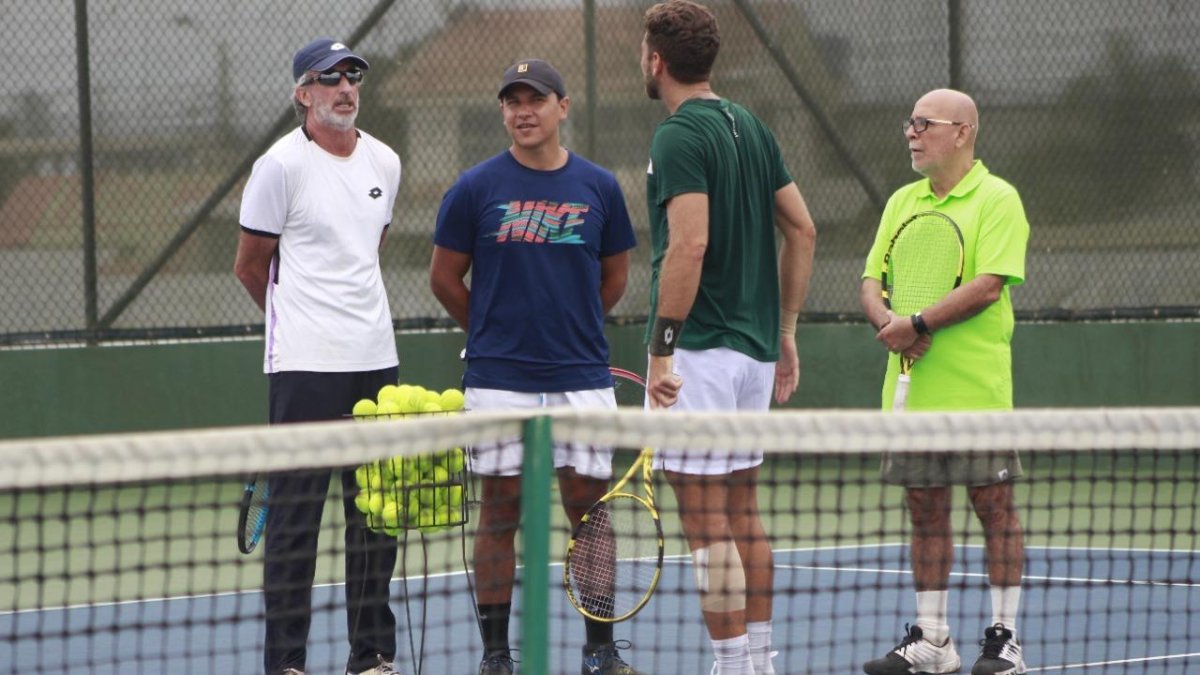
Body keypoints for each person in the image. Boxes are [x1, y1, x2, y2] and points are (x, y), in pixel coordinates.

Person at [428, 58, 641, 675]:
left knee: (589, 513)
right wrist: (492, 334)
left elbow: (615, 276)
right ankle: (496, 655)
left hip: (581, 379)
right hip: (499, 383)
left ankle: (600, 650)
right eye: (512, 101)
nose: (523, 111)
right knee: (499, 512)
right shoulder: (474, 188)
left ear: (562, 107)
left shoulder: (599, 186)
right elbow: (444, 278)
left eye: (536, 100)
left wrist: (573, 328)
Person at [638, 2, 817, 674]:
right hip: (753, 354)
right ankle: (758, 662)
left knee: (705, 520)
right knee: (743, 512)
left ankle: (733, 663)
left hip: (699, 353)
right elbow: (803, 230)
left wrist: (661, 350)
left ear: (657, 60)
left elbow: (691, 243)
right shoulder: (753, 126)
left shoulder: (678, 135)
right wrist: (786, 331)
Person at [234, 37, 404, 675]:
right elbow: (251, 267)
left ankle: (372, 655)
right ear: (303, 94)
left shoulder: (385, 162)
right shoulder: (279, 166)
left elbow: (367, 250)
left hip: (376, 362)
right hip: (304, 368)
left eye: (353, 75)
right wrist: (301, 321)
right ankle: (287, 662)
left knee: (375, 516)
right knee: (296, 524)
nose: (345, 88)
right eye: (329, 78)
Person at [859, 89, 1030, 675]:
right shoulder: (901, 202)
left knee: (995, 509)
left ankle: (1005, 639)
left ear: (962, 132)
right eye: (909, 123)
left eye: (924, 123)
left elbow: (988, 286)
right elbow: (871, 281)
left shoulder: (997, 198)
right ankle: (933, 640)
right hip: (912, 397)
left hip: (977, 395)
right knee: (924, 512)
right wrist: (891, 325)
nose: (911, 133)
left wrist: (918, 323)